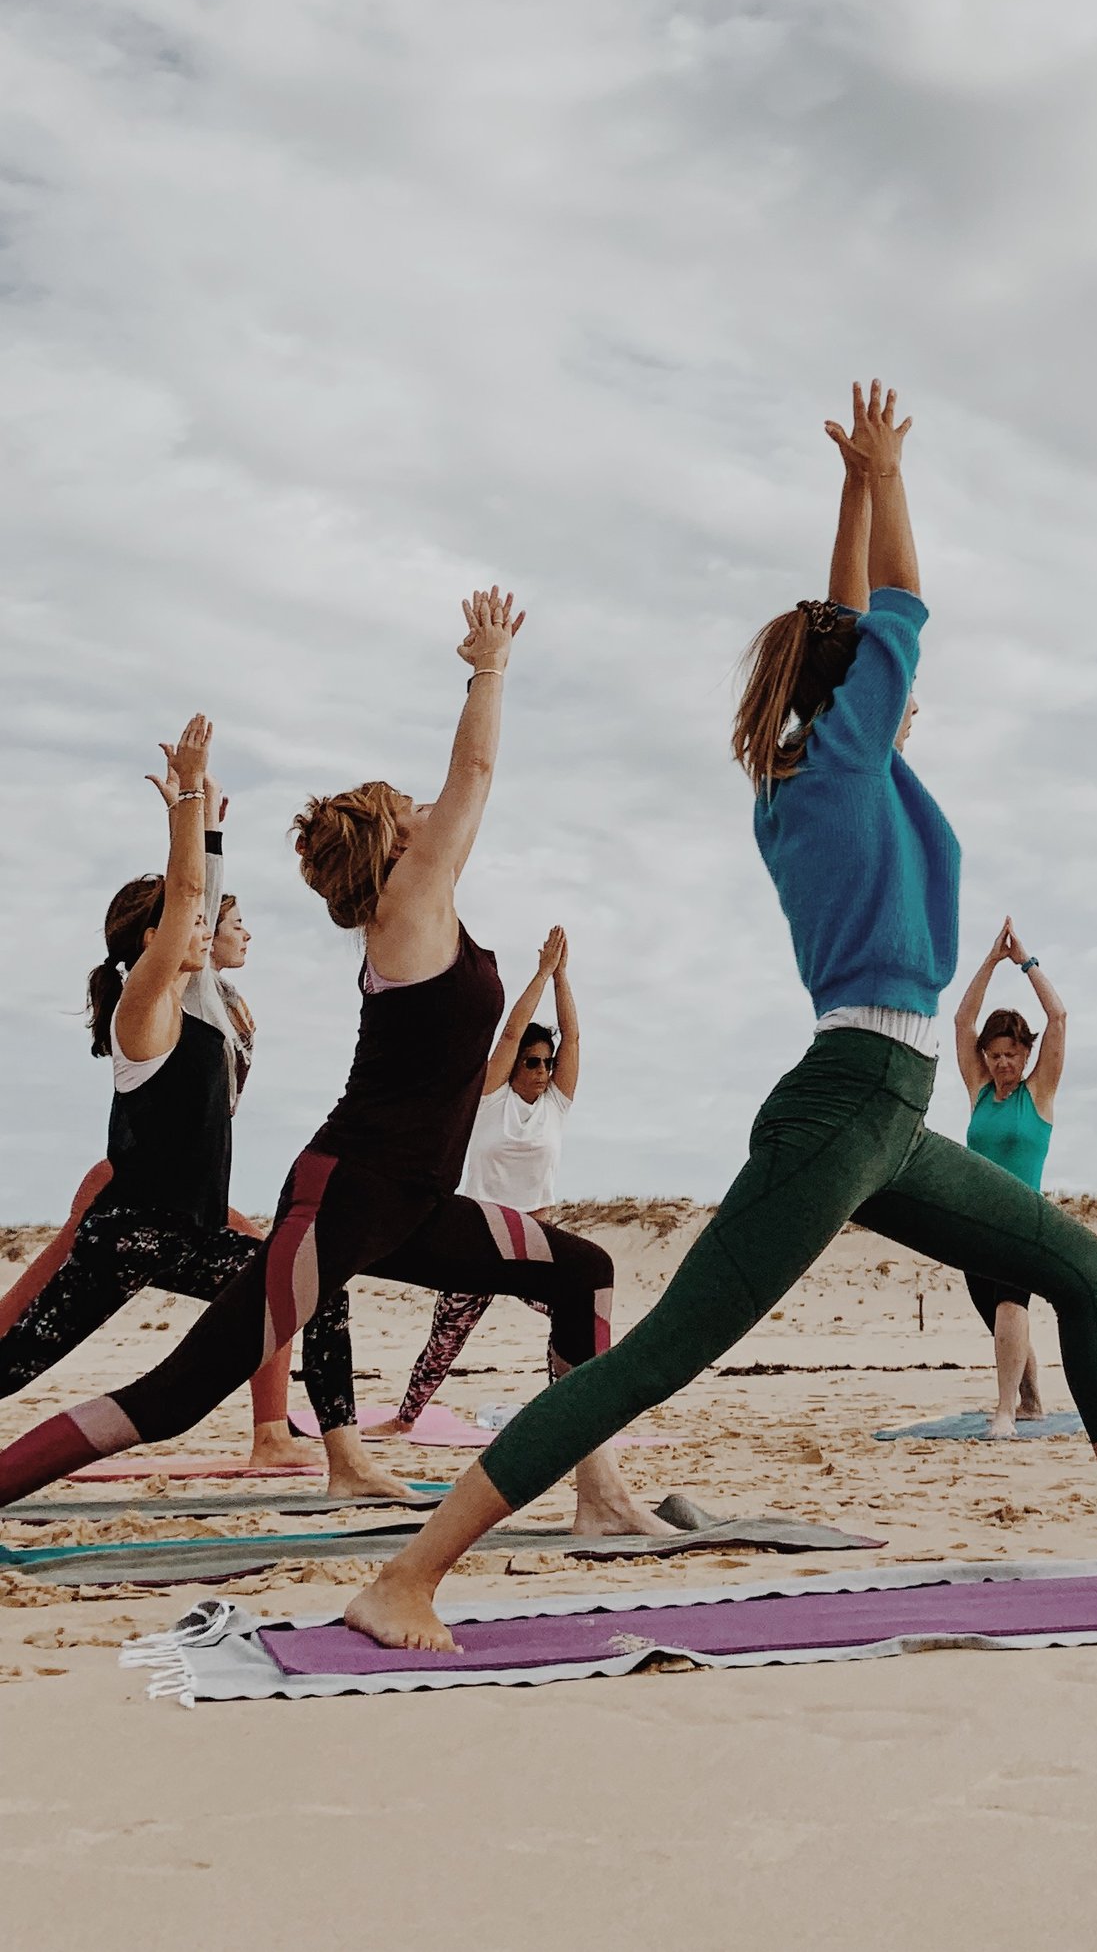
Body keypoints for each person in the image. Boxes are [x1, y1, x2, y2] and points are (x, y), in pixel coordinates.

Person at [339, 382, 1097, 1651]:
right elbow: (901, 608)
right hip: (841, 1110)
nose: (900, 680)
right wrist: (887, 477)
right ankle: (409, 1578)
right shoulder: (835, 766)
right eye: (876, 672)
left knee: (1080, 1268)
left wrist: (844, 489)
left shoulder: (814, 772)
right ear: (856, 694)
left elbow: (848, 620)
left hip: (886, 1111)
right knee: (654, 1357)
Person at [0, 609, 660, 1544]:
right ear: (394, 846)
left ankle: (600, 1490)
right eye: (409, 809)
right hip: (346, 1194)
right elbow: (472, 775)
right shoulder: (404, 911)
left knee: (581, 1272)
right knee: (176, 1394)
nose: (429, 812)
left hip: (419, 1199)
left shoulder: (427, 912)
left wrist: (204, 818)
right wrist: (491, 669)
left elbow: (449, 817)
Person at [0, 731, 369, 1485]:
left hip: (178, 1233)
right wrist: (190, 803)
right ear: (154, 937)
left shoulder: (198, 1010)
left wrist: (209, 832)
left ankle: (345, 1457)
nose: (205, 927)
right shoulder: (141, 1007)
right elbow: (190, 897)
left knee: (316, 1283)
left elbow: (200, 891)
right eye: (188, 923)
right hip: (129, 1236)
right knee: (14, 1364)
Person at [381, 927, 581, 1434]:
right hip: (478, 1235)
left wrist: (563, 977)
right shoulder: (490, 1099)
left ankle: (564, 1409)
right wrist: (539, 974)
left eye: (546, 1063)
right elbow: (509, 1035)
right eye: (531, 1062)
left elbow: (573, 1037)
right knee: (445, 1337)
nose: (540, 1069)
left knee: (574, 1308)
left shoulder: (556, 1106)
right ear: (514, 1066)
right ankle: (405, 1420)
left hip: (534, 1236)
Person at [952, 916, 1068, 1436]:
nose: (1002, 1064)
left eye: (1012, 1055)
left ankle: (1004, 1413)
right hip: (974, 1221)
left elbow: (1059, 1016)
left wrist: (1024, 961)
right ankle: (1031, 1399)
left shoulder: (1038, 1091)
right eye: (995, 1056)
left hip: (1022, 1219)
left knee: (1009, 1302)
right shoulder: (978, 1089)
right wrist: (989, 961)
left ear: (1026, 1054)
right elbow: (961, 1022)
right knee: (998, 1317)